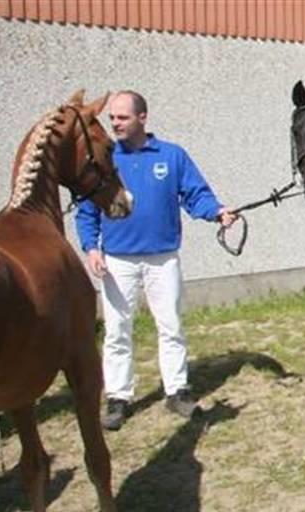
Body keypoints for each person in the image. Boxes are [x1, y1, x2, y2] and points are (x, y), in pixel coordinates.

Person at [76, 91, 237, 431]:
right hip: (118, 261)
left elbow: (196, 195)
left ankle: (176, 391)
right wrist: (92, 248)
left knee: (171, 327)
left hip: (163, 259)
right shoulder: (102, 160)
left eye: (122, 117)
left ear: (142, 117)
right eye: (113, 118)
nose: (115, 123)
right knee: (118, 331)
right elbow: (87, 209)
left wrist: (217, 212)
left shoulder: (172, 156)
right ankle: (118, 397)